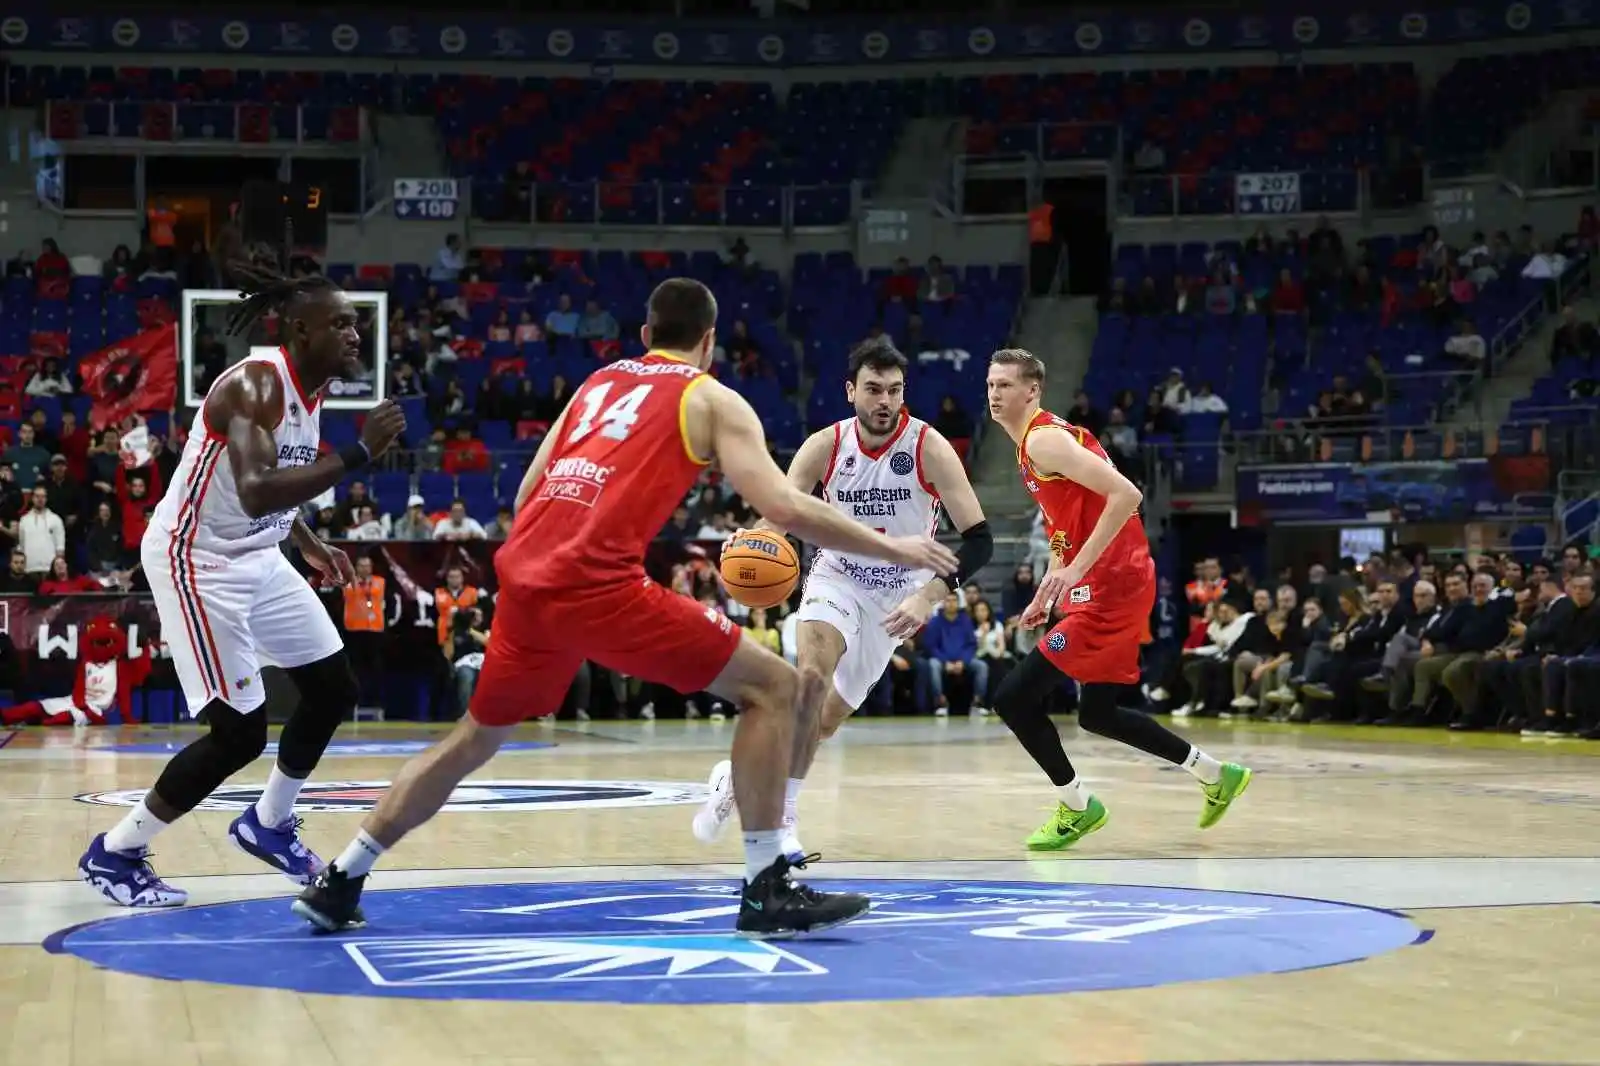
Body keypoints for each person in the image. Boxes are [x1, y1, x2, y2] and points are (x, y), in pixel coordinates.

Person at [293, 278, 957, 938]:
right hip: (596, 584)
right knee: (777, 688)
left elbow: (528, 492)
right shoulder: (711, 398)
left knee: (473, 739)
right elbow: (782, 508)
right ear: (709, 341)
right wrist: (894, 547)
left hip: (525, 577)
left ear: (644, 337)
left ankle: (342, 876)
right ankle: (766, 888)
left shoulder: (596, 383)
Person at [77, 263, 407, 908]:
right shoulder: (256, 386)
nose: (354, 334)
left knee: (332, 688)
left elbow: (270, 491)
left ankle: (268, 823)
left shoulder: (309, 397)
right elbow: (257, 491)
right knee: (239, 733)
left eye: (355, 323)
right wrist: (361, 454)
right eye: (339, 323)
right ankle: (115, 853)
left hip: (258, 554)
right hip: (196, 560)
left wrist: (308, 542)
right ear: (300, 331)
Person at [690, 337, 990, 860]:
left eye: (894, 391)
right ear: (851, 391)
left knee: (821, 721)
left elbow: (980, 540)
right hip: (837, 576)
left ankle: (735, 781)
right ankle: (782, 820)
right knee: (808, 680)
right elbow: (780, 513)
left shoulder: (929, 448)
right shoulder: (825, 446)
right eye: (873, 389)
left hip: (898, 598)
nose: (884, 401)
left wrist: (931, 596)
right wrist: (755, 546)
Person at [983, 348, 1251, 850]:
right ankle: (1216, 775)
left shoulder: (1043, 440)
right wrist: (1051, 584)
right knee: (1098, 713)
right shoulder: (1035, 442)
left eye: (1005, 385)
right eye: (991, 384)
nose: (994, 394)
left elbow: (1127, 495)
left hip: (1111, 585)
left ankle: (1077, 806)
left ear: (1032, 391)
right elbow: (1069, 522)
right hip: (1108, 581)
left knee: (1013, 697)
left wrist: (1076, 573)